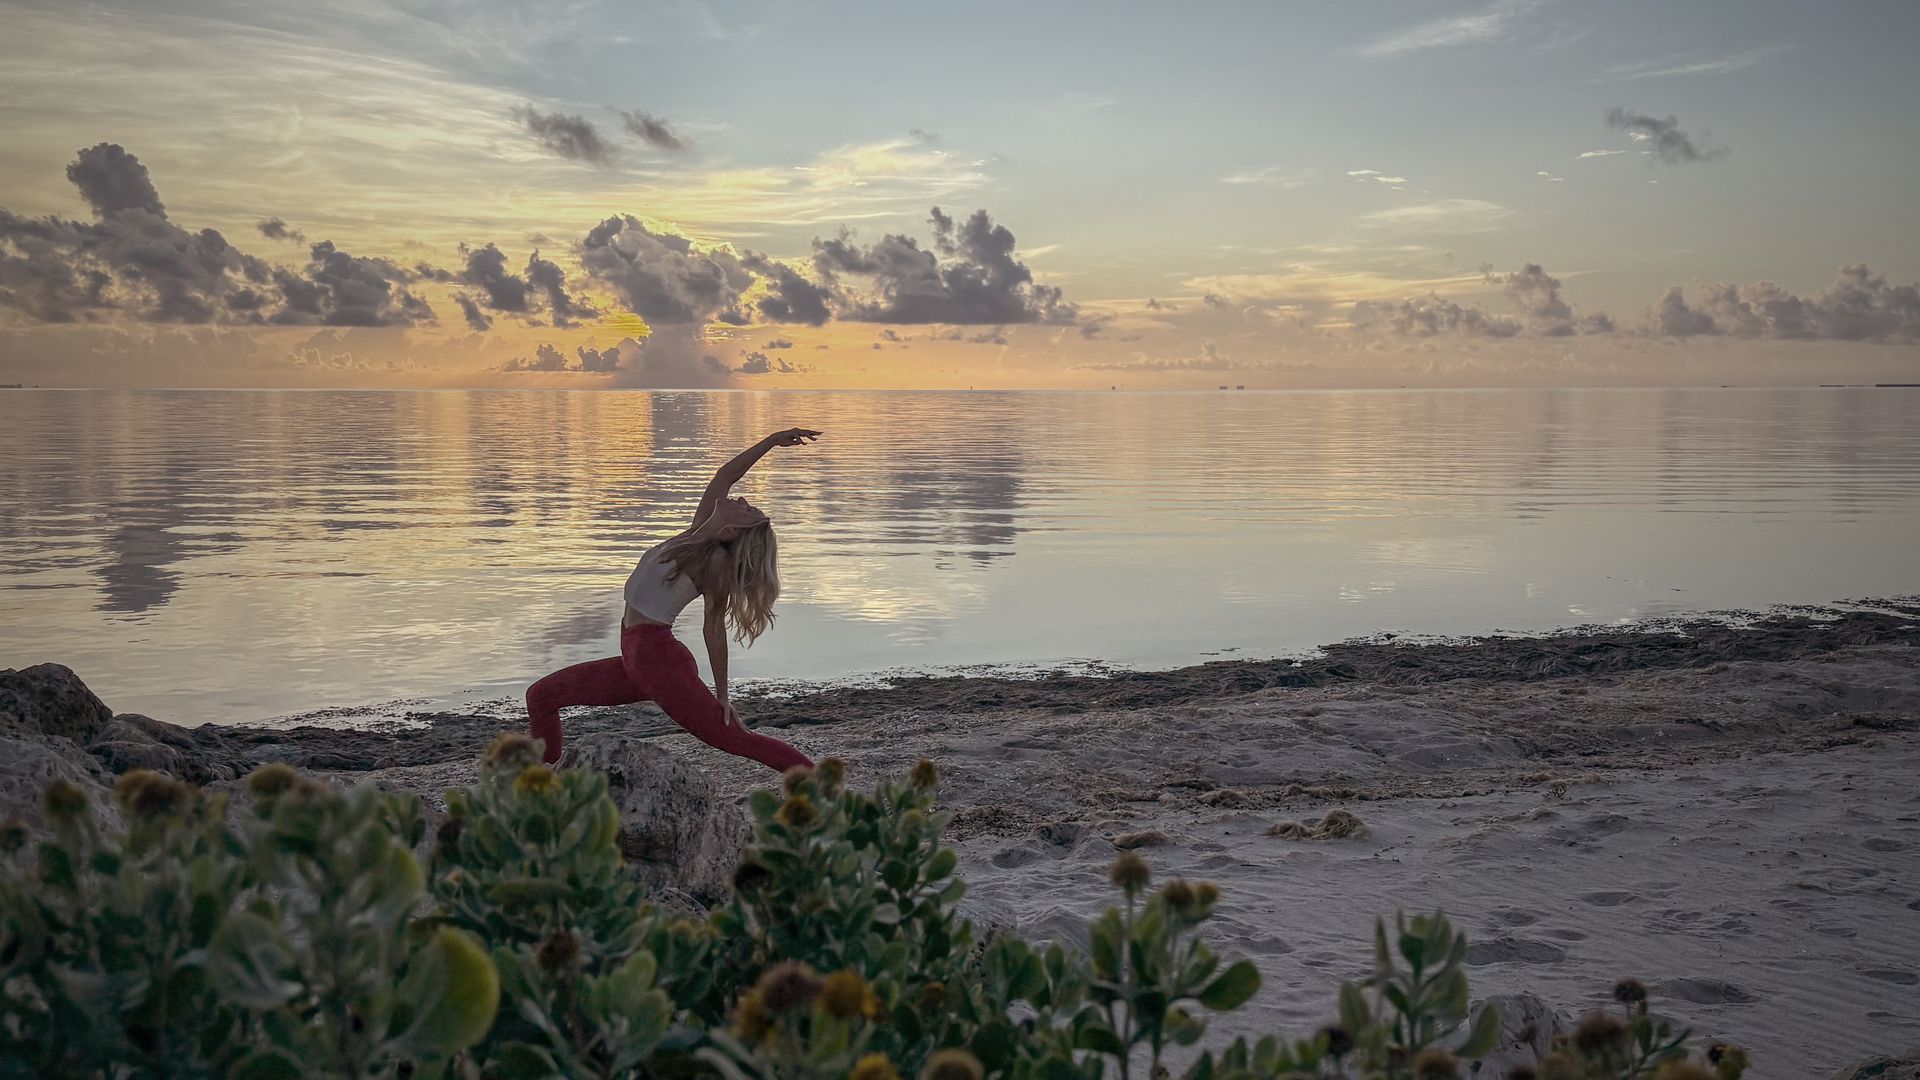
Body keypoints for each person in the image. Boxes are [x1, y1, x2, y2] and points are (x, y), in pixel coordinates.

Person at [525, 427, 823, 768]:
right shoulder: (695, 533)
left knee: (737, 740)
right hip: (635, 657)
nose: (742, 499)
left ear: (735, 532)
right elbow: (727, 474)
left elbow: (714, 628)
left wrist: (722, 696)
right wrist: (772, 440)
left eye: (748, 509)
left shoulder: (715, 562)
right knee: (542, 696)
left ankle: (821, 786)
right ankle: (545, 777)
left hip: (659, 662)